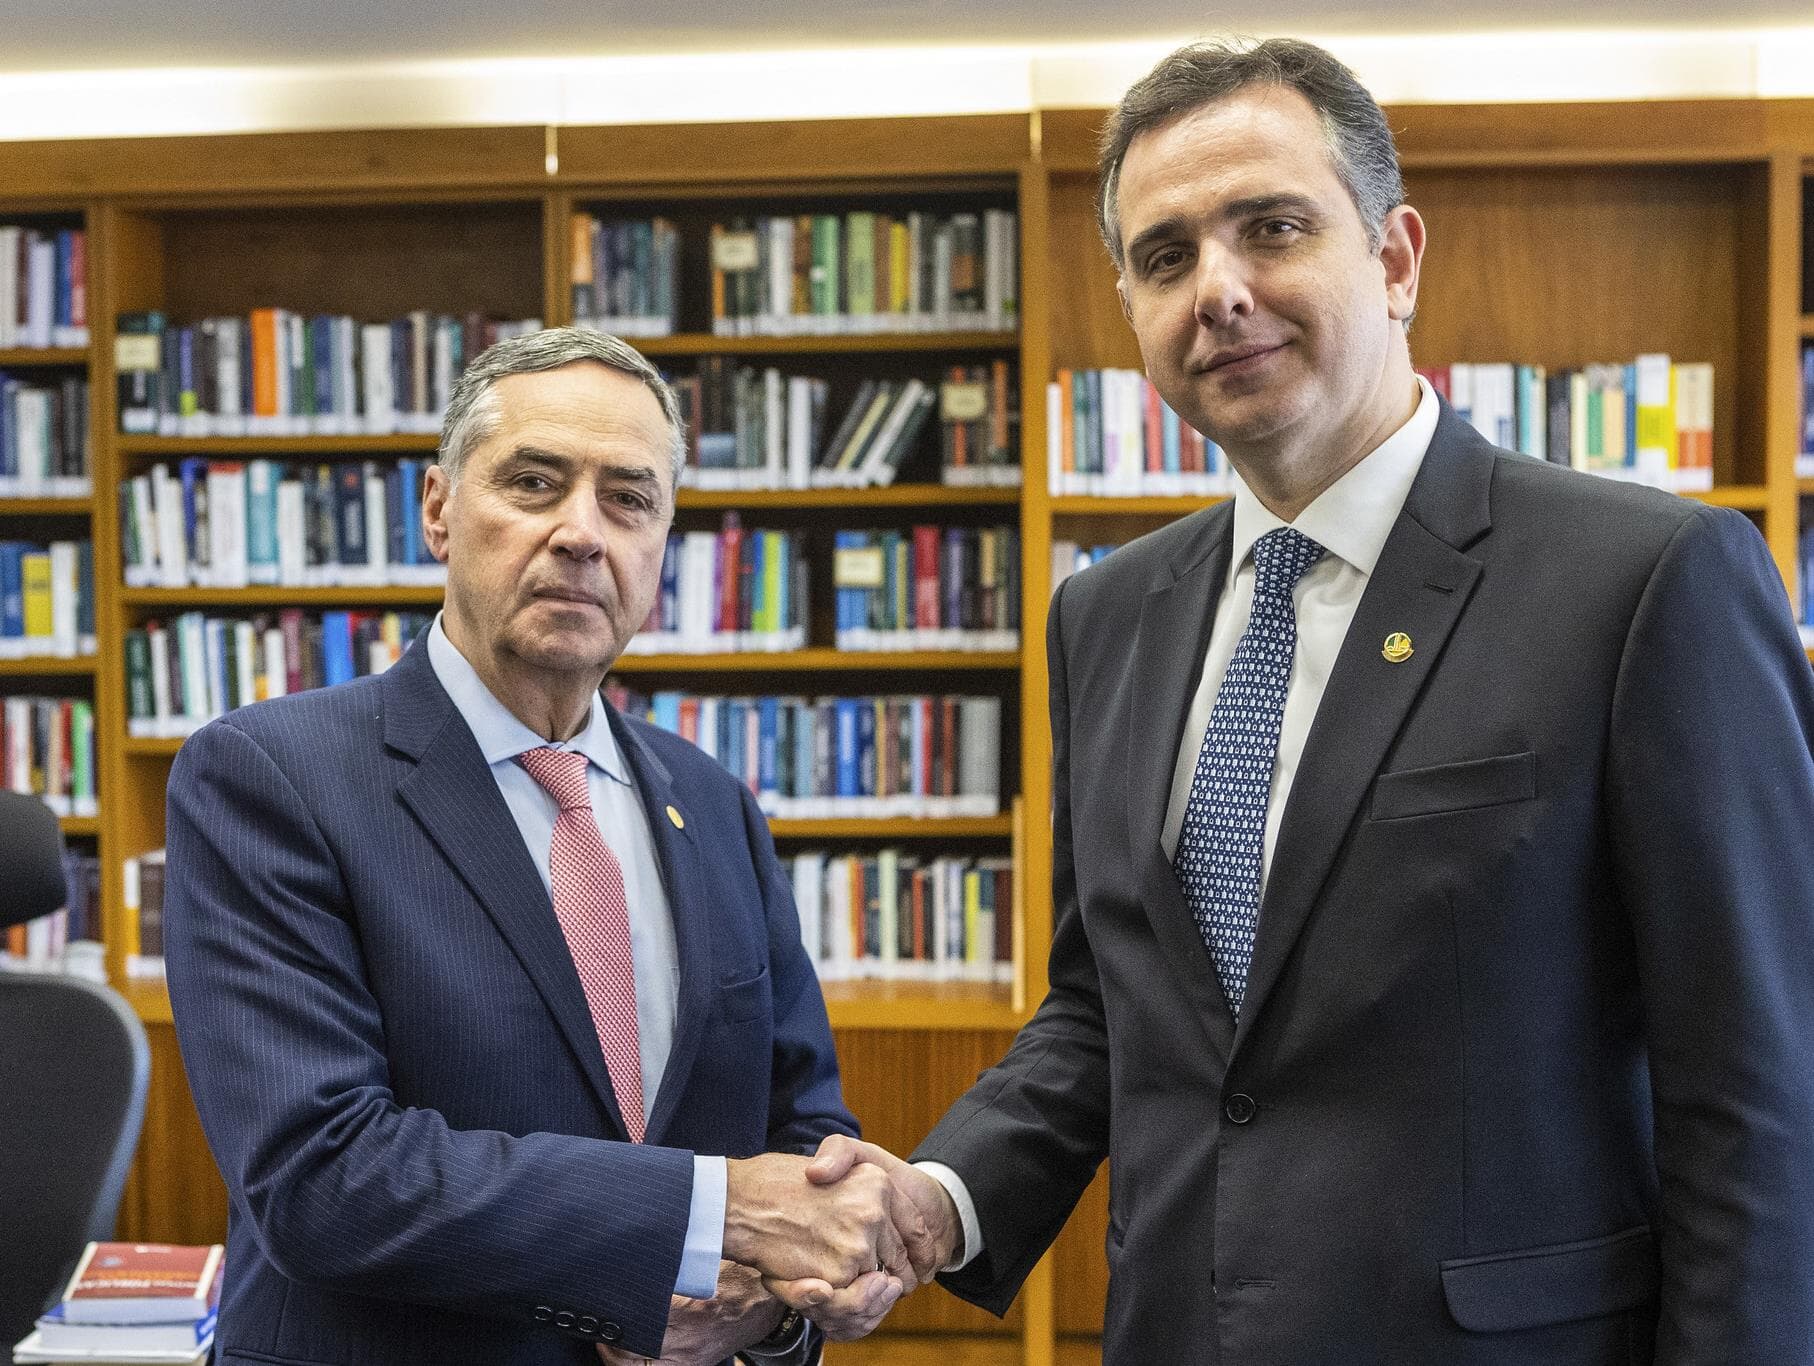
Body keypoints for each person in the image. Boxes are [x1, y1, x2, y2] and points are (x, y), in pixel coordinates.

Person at [789, 36, 1814, 1363]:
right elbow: (1105, 1007)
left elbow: (1755, 1088)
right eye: (1165, 257)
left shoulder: (1644, 581)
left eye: (1269, 228)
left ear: (1393, 259)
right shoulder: (1104, 616)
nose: (1217, 290)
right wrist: (938, 1198)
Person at [163, 327, 926, 1366]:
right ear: (438, 508)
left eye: (629, 499)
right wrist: (709, 1217)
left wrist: (782, 1304)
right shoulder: (269, 777)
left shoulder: (713, 805)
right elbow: (321, 1177)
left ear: (663, 541)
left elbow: (800, 1137)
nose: (581, 533)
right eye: (533, 483)